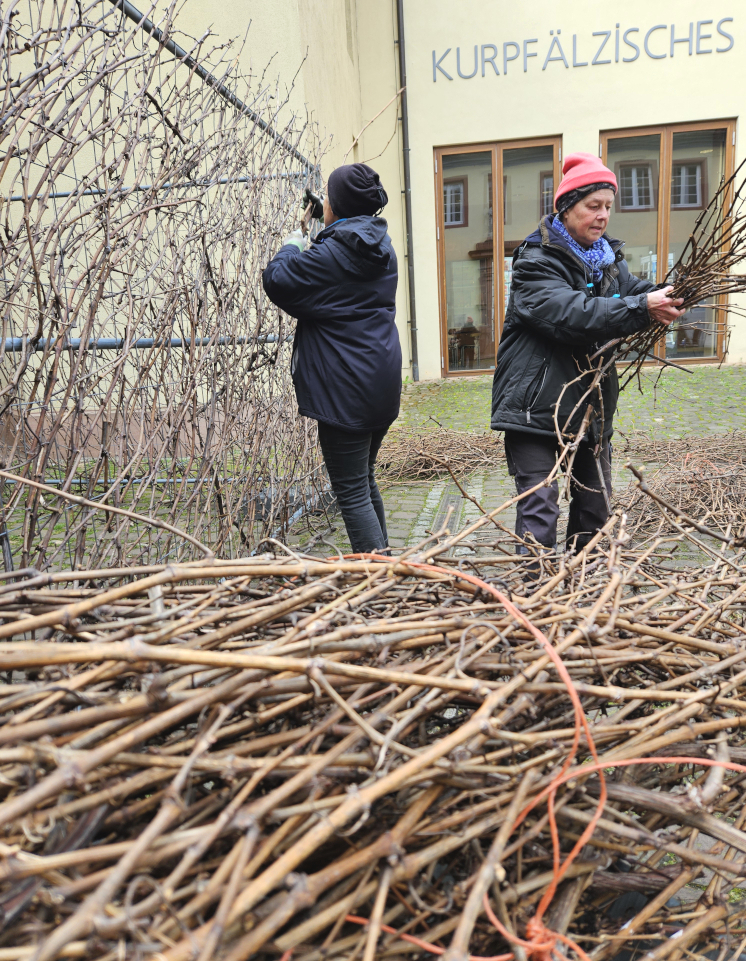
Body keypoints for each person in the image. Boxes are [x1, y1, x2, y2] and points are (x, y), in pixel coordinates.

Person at [491, 152, 685, 555]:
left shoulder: (609, 263)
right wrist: (642, 307)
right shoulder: (535, 262)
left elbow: (635, 293)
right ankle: (534, 599)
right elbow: (571, 316)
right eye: (592, 206)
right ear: (565, 208)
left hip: (590, 406)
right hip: (535, 407)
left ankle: (585, 598)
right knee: (540, 511)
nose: (602, 216)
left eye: (608, 207)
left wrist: (673, 293)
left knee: (594, 513)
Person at [262, 162, 400, 554]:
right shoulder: (379, 246)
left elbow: (279, 279)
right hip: (380, 379)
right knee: (363, 479)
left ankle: (377, 581)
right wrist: (325, 224)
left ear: (337, 204)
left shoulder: (334, 254)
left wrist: (294, 238)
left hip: (347, 387)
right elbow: (339, 257)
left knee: (352, 490)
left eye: (329, 195)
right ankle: (387, 566)